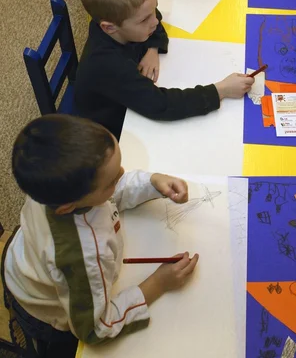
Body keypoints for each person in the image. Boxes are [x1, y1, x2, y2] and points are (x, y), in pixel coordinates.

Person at [4, 114, 199, 353]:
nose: (123, 173)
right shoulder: (80, 255)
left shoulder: (51, 184)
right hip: (43, 307)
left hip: (23, 259)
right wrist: (157, 284)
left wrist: (153, 182)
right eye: (112, 180)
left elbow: (107, 193)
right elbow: (94, 329)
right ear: (68, 207)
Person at [74, 0, 254, 140]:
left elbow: (154, 19)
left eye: (154, 10)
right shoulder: (107, 65)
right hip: (110, 129)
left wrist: (152, 48)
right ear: (110, 27)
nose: (156, 21)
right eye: (145, 19)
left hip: (125, 103)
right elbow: (161, 105)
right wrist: (221, 90)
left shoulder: (126, 22)